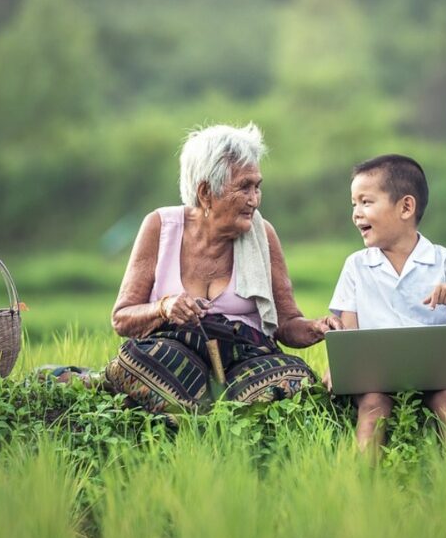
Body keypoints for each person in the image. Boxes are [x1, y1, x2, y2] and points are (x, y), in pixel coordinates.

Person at [106, 123, 340, 415]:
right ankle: (213, 413)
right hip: (177, 355)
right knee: (141, 360)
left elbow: (286, 322)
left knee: (294, 379)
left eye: (257, 187)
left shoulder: (263, 234)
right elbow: (122, 318)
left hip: (245, 356)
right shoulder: (160, 226)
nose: (254, 200)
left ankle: (202, 413)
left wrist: (315, 327)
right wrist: (163, 308)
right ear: (206, 192)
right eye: (244, 187)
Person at [324, 154, 446, 456]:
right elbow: (349, 332)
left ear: (405, 207)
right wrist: (339, 366)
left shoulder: (444, 261)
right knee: (373, 405)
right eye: (354, 204)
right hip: (376, 376)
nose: (356, 213)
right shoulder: (356, 266)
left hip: (439, 373)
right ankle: (363, 481)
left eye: (366, 202)